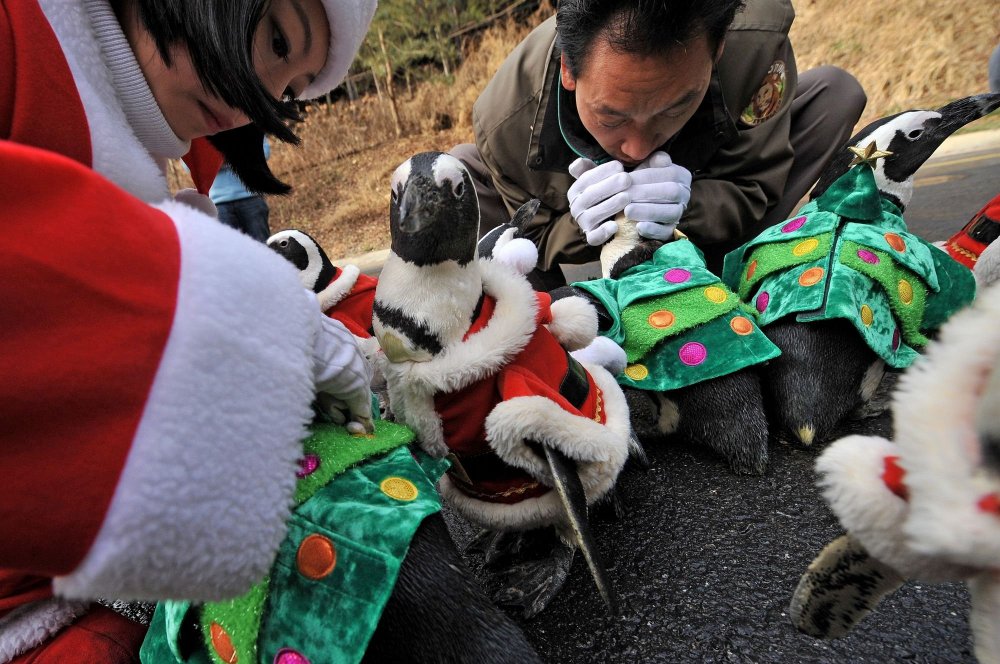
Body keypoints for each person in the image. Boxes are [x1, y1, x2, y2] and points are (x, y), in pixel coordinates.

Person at [0, 0, 376, 661]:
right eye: (278, 38)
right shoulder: (15, 44)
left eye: (288, 91)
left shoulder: (135, 122)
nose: (258, 101)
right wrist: (219, 309)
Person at [452, 0, 868, 286]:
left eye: (675, 107)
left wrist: (688, 206)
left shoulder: (755, 44)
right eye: (611, 116)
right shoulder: (505, 116)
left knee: (834, 94)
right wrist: (585, 226)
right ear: (568, 70)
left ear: (717, 50)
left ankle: (732, 276)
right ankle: (555, 330)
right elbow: (536, 240)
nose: (636, 149)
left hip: (707, 190)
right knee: (459, 175)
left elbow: (754, 183)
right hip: (571, 229)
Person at [210, 137, 274, 242]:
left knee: (262, 249)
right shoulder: (201, 128)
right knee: (230, 252)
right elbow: (189, 165)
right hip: (218, 204)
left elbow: (264, 152)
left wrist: (219, 158)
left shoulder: (247, 122)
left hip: (252, 197)